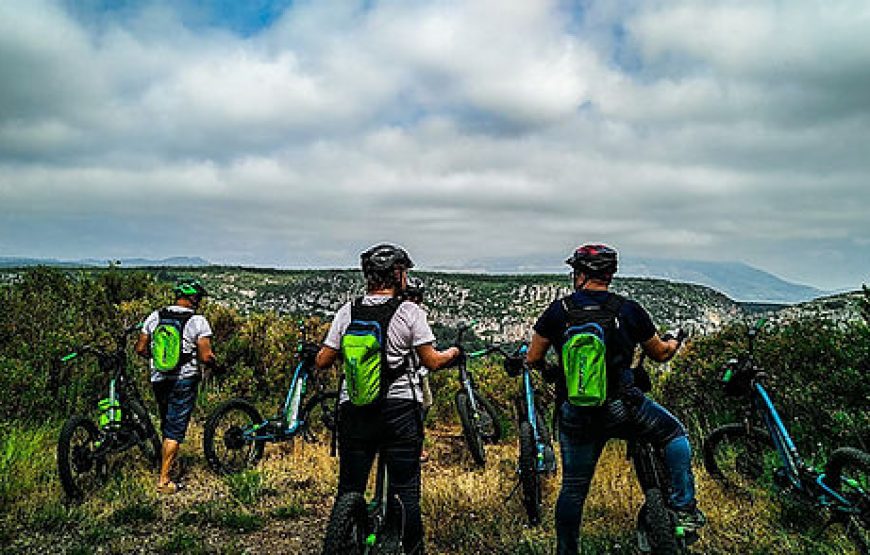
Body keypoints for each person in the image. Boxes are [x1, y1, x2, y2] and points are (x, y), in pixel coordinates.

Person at [525, 244, 705, 554]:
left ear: (580, 275)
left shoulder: (559, 311)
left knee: (572, 490)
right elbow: (660, 354)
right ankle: (684, 509)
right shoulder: (628, 310)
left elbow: (532, 358)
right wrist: (675, 339)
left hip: (576, 412)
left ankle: (566, 550)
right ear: (609, 275)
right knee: (675, 434)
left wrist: (552, 373)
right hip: (623, 407)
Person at [314, 244, 460, 555]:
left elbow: (323, 360)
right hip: (399, 409)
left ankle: (346, 542)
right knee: (405, 491)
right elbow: (432, 361)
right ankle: (411, 549)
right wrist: (454, 354)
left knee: (350, 486)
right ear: (398, 275)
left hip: (354, 407)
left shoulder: (347, 311)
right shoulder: (410, 312)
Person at [135, 278, 215, 494]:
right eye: (197, 297)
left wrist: (161, 360)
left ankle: (166, 464)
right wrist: (215, 363)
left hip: (159, 377)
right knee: (176, 428)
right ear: (192, 298)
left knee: (166, 421)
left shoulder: (155, 316)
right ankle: (164, 480)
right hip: (184, 378)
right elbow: (206, 355)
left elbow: (141, 349)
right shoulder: (198, 321)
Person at [404, 276, 434, 463]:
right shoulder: (414, 316)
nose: (415, 301)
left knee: (424, 407)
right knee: (418, 411)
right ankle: (416, 449)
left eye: (417, 297)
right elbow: (429, 356)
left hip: (418, 371)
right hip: (412, 374)